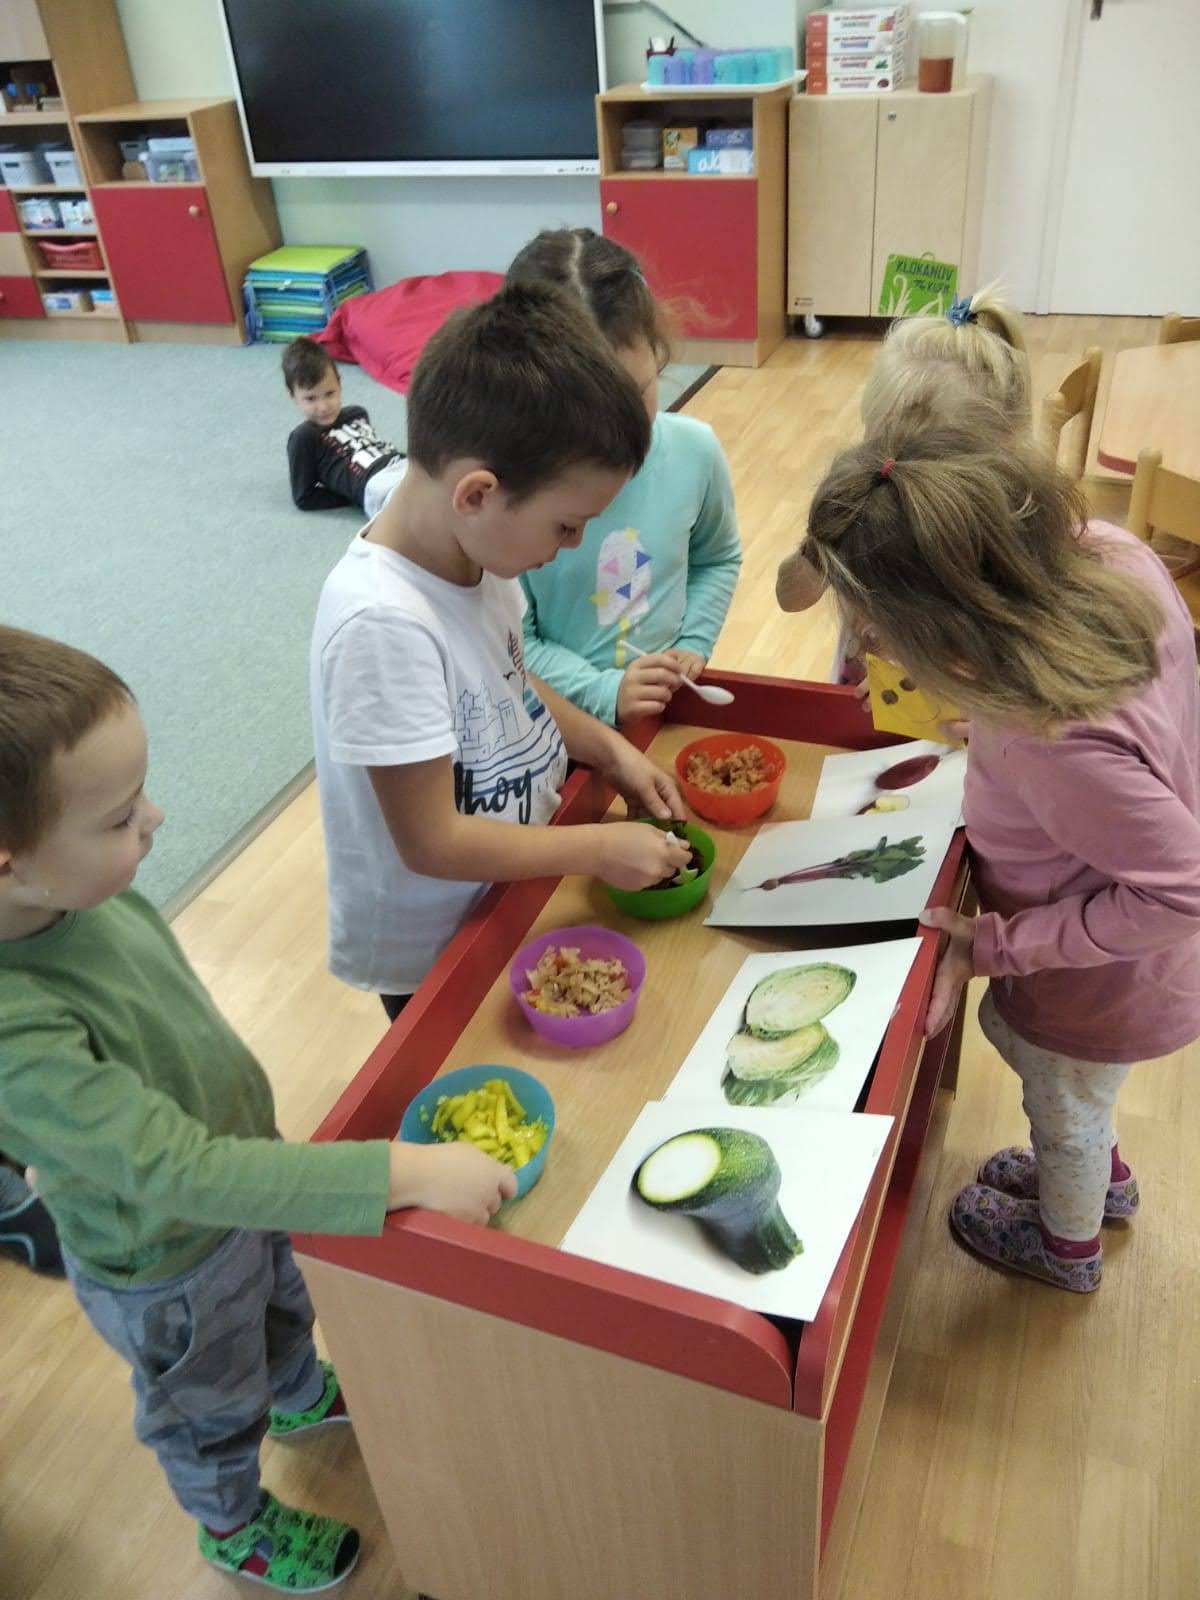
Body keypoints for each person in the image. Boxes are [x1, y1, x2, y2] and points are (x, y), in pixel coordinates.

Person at [0, 625, 515, 1591]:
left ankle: (295, 1389)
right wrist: (397, 1172)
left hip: (245, 1179)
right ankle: (230, 1522)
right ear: (7, 865)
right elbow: (177, 1171)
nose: (155, 819)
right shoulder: (14, 1027)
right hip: (167, 1268)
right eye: (119, 817)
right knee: (208, 1406)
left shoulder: (78, 892)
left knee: (284, 1301)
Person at [800, 406, 1200, 1295]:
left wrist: (999, 944)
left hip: (1099, 983)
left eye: (881, 636)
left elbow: (1183, 890)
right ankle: (1102, 1181)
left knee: (1064, 1108)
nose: (872, 653)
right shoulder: (1106, 554)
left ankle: (1067, 1248)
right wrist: (974, 706)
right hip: (1103, 949)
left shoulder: (1056, 736)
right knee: (1080, 1099)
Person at [310, 282, 691, 1018]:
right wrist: (595, 849)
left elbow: (507, 679)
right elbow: (431, 842)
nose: (573, 545)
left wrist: (609, 750)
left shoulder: (477, 553)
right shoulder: (382, 625)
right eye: (566, 525)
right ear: (477, 494)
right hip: (436, 953)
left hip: (508, 896)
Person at [506, 228, 741, 727]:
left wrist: (693, 642)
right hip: (552, 722)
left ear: (657, 351)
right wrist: (603, 691)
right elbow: (511, 640)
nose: (619, 432)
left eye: (635, 395)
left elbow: (717, 557)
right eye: (585, 411)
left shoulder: (695, 452)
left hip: (662, 709)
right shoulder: (512, 494)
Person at [776, 289, 1031, 685]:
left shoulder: (1015, 534)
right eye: (881, 447)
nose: (896, 475)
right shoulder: (866, 497)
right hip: (855, 705)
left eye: (925, 467)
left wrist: (948, 700)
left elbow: (1020, 670)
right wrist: (823, 542)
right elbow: (790, 597)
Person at [283, 335, 408, 518]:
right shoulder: (303, 437)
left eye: (329, 393)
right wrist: (352, 496)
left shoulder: (357, 413)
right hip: (377, 484)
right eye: (310, 398)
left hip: (404, 464)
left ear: (339, 384)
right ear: (292, 396)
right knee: (422, 511)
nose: (323, 407)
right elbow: (304, 497)